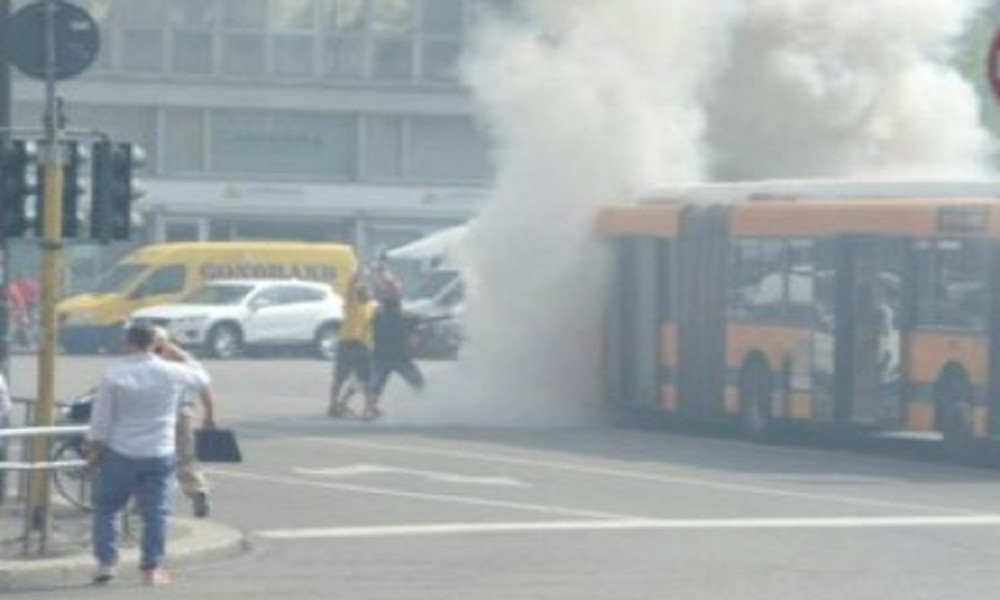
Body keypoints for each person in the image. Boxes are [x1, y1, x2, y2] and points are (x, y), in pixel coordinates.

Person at [86, 323, 210, 586]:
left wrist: (95, 449)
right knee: (157, 512)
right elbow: (202, 377)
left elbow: (101, 418)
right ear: (156, 344)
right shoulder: (171, 372)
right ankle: (151, 568)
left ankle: (105, 563)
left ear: (126, 342)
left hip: (120, 450)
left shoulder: (114, 374)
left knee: (107, 508)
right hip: (159, 451)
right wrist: (177, 352)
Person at [152, 326, 216, 518]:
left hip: (158, 416)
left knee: (153, 457)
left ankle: (148, 500)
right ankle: (198, 491)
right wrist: (209, 415)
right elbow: (205, 388)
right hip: (184, 414)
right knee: (186, 458)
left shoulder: (151, 362)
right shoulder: (188, 364)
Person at [366, 292, 425, 420]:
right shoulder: (403, 319)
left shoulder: (377, 318)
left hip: (380, 356)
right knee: (418, 382)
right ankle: (426, 407)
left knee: (375, 386)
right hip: (400, 357)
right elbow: (417, 318)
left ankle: (369, 411)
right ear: (396, 306)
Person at [328, 272, 378, 418]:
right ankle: (333, 405)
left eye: (367, 290)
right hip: (347, 344)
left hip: (362, 346)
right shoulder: (351, 304)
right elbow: (351, 286)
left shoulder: (371, 307)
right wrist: (357, 273)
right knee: (339, 378)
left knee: (367, 379)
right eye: (363, 291)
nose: (366, 293)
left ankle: (368, 409)